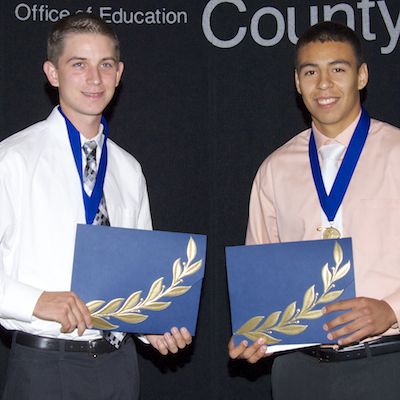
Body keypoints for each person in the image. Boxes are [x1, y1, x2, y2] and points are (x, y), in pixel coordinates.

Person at [0, 13, 191, 400]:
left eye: (105, 65)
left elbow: (139, 270)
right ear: (52, 73)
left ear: (119, 74)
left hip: (119, 366)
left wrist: (150, 323)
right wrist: (35, 300)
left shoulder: (128, 169)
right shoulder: (13, 159)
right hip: (45, 367)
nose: (94, 78)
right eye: (78, 64)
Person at [229, 21, 400, 399]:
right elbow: (260, 270)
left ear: (362, 76)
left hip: (387, 362)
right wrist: (257, 331)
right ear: (297, 81)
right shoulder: (275, 169)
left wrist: (391, 310)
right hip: (298, 372)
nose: (323, 84)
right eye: (311, 72)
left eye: (337, 69)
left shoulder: (397, 153)